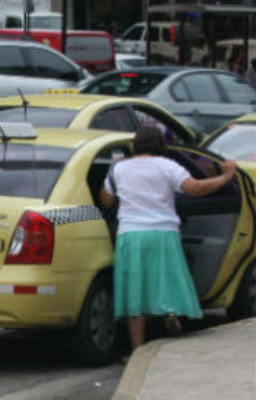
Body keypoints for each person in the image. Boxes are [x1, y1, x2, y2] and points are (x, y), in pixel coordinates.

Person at [100, 127, 237, 353]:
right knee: (167, 279)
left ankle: (137, 348)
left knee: (136, 289)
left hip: (131, 234)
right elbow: (195, 188)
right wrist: (226, 177)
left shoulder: (120, 168)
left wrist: (112, 176)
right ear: (161, 146)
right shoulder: (167, 166)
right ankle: (170, 312)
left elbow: (105, 201)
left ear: (136, 144)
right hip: (163, 233)